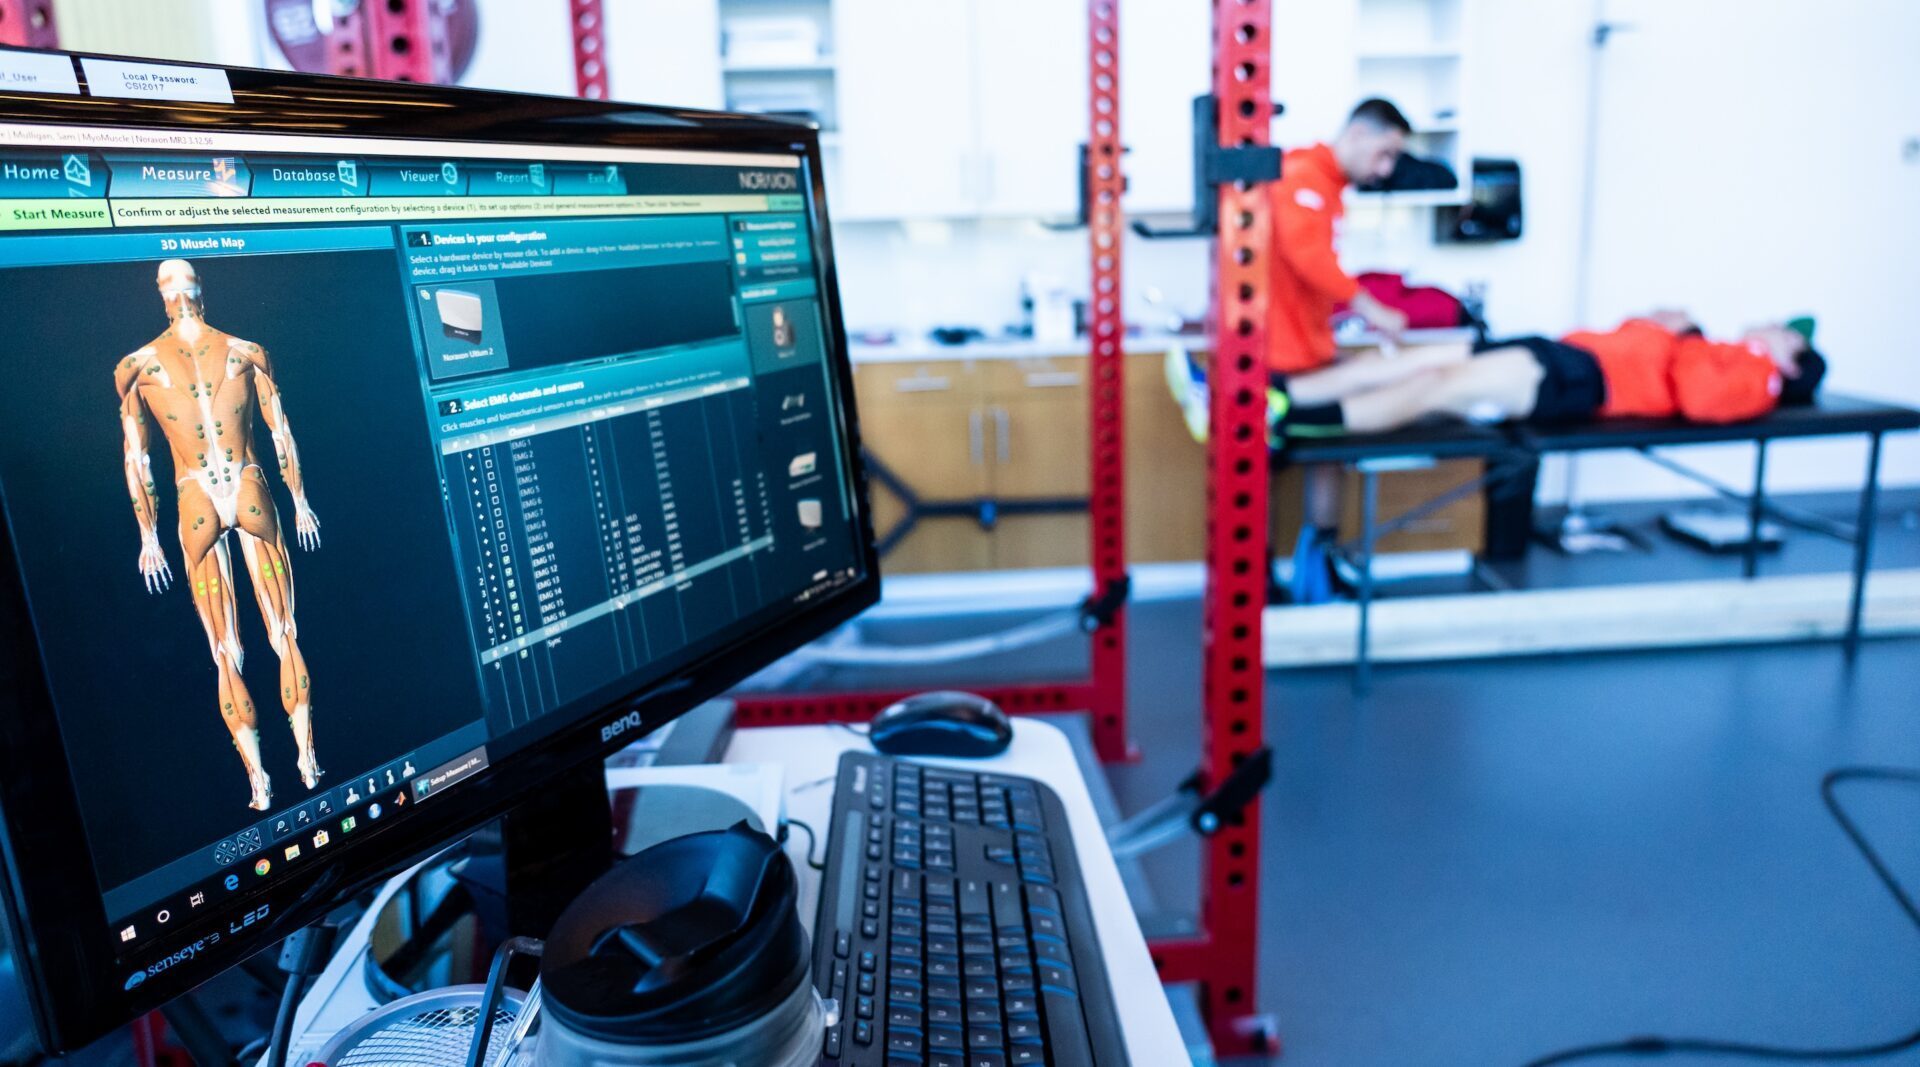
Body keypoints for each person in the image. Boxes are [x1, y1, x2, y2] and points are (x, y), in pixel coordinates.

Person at [1276, 312, 1827, 435]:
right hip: (1564, 354)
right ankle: (1275, 396)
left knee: (1430, 387)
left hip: (1579, 381)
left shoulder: (1760, 378)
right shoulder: (1726, 349)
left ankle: (1297, 419)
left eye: (1788, 337)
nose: (1776, 329)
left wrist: (1681, 340)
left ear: (1789, 363)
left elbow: (1699, 398)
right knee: (1413, 361)